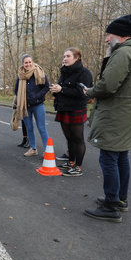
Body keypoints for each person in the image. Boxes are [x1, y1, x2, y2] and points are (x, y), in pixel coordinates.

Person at [83, 14, 131, 222]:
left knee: (108, 158)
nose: (107, 39)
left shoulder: (124, 53)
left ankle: (111, 205)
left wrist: (89, 92)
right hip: (129, 113)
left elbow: (108, 85)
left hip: (116, 113)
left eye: (109, 34)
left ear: (121, 36)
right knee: (121, 157)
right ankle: (119, 199)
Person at [50, 48, 93, 177]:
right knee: (69, 138)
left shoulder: (84, 73)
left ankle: (78, 167)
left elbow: (82, 93)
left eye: (68, 56)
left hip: (76, 109)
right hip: (64, 108)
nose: (65, 58)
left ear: (76, 58)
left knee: (77, 138)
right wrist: (55, 89)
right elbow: (62, 87)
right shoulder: (64, 71)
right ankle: (70, 162)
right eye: (64, 56)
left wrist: (62, 89)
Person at [14, 54, 50, 157]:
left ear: (32, 62)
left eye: (30, 62)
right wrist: (21, 99)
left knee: (41, 128)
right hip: (25, 106)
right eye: (26, 62)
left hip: (38, 105)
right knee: (29, 128)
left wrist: (37, 96)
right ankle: (33, 148)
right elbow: (16, 89)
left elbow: (46, 86)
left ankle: (48, 150)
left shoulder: (39, 72)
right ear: (23, 64)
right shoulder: (20, 75)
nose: (28, 64)